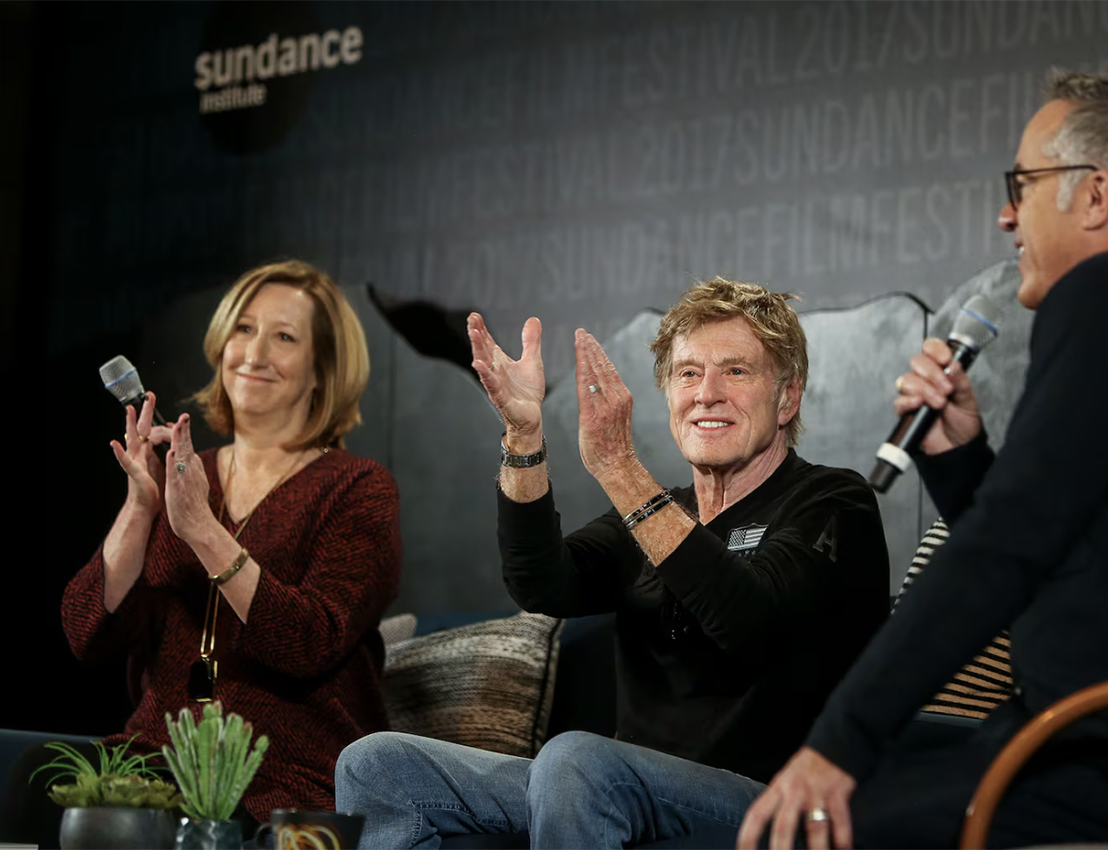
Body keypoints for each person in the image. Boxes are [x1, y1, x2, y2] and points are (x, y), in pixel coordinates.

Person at [739, 70, 1108, 849]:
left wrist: (838, 742)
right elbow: (1065, 555)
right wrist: (962, 459)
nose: (1005, 214)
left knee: (793, 833)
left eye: (1022, 185)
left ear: (1096, 197)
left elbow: (1009, 546)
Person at [336, 278, 890, 849]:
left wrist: (621, 471)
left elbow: (750, 620)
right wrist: (524, 437)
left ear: (788, 397)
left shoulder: (832, 502)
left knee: (576, 760)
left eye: (737, 371)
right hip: (619, 785)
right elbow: (540, 583)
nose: (707, 393)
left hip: (771, 801)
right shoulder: (658, 511)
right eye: (688, 373)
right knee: (376, 764)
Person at [13, 261, 402, 842]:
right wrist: (142, 507)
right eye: (243, 329)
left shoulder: (358, 488)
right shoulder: (181, 475)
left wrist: (201, 528)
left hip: (284, 773)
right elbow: (85, 631)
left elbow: (311, 641)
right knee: (35, 780)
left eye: (285, 337)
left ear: (323, 370)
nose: (255, 352)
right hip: (157, 757)